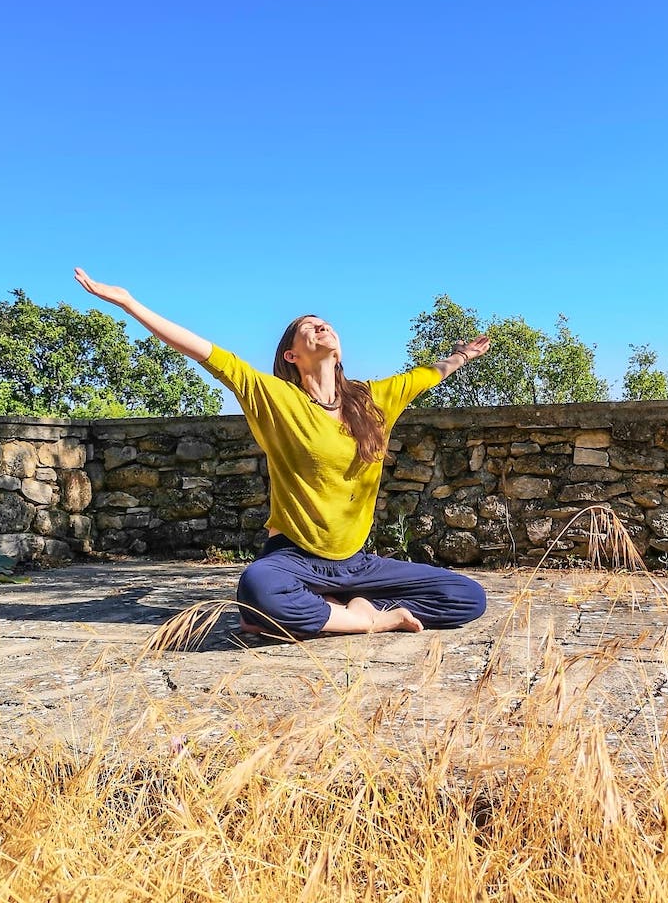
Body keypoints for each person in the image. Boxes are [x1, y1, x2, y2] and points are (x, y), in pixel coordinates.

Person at [74, 267, 491, 637]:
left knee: (467, 596)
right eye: (307, 327)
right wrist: (130, 303)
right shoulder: (276, 398)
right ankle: (369, 618)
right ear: (292, 355)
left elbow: (428, 376)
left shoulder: (375, 399)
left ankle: (329, 610)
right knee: (258, 586)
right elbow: (206, 354)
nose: (320, 326)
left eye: (324, 323)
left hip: (357, 565)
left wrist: (461, 355)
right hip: (295, 559)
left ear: (339, 347)